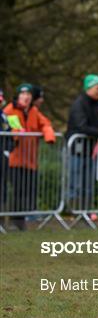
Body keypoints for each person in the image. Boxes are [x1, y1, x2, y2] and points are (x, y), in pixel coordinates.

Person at [3, 83, 56, 230]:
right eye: (23, 94)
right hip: (14, 158)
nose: (26, 97)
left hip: (30, 159)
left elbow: (45, 124)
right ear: (18, 96)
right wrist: (16, 132)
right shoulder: (10, 109)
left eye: (29, 95)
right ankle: (14, 221)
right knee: (17, 190)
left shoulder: (34, 111)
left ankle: (21, 222)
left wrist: (49, 136)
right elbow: (11, 127)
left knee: (28, 191)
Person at [66, 74, 98, 209]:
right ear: (89, 88)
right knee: (75, 183)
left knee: (88, 185)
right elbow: (81, 127)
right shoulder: (79, 104)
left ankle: (86, 212)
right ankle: (73, 212)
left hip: (90, 151)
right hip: (76, 150)